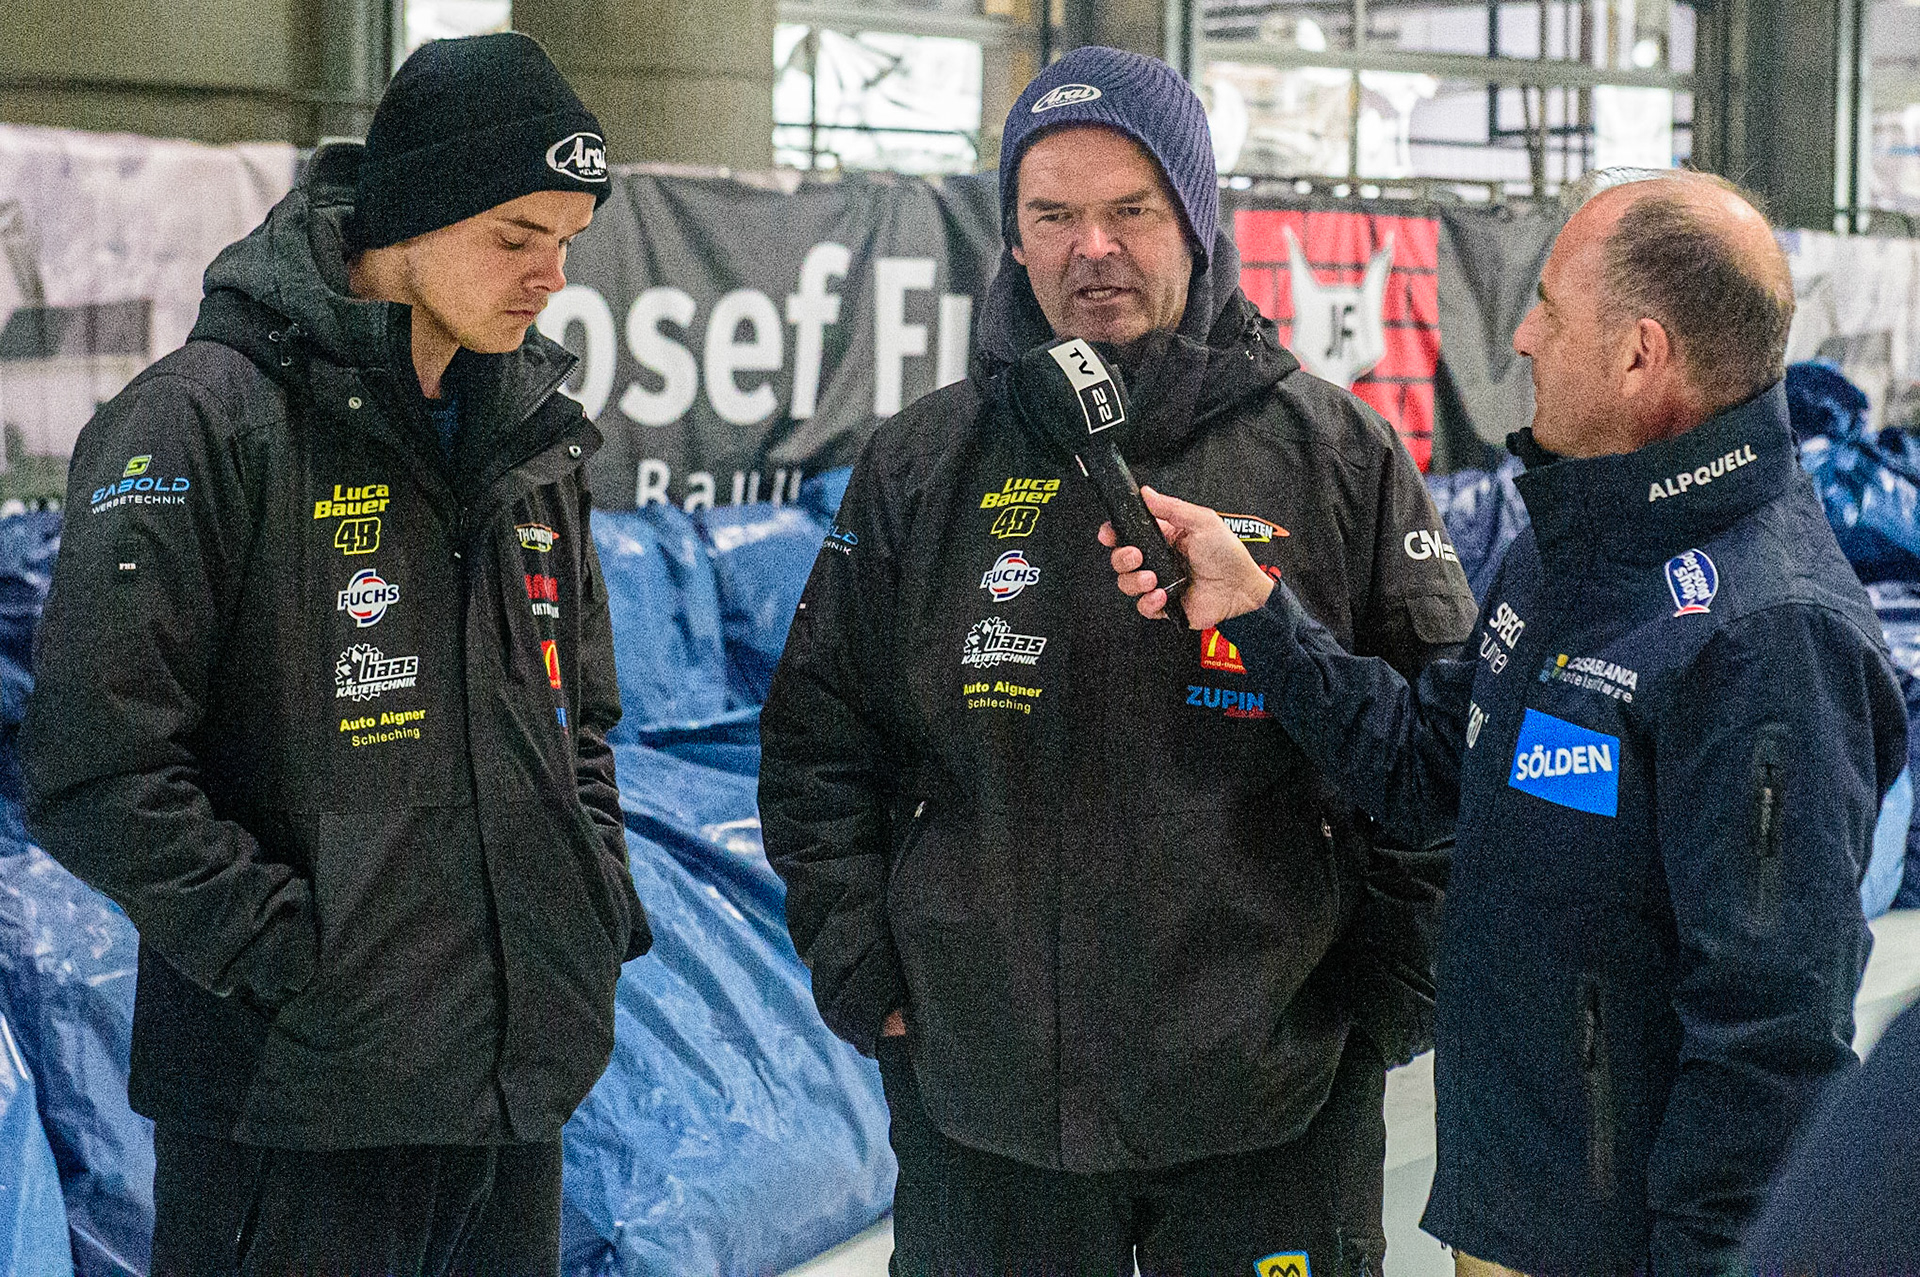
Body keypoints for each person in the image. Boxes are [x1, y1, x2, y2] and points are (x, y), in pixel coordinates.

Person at [1103, 171, 1908, 1274]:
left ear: (1640, 354)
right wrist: (1259, 616)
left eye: (1550, 308)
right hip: (1508, 1203)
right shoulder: (1577, 538)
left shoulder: (1769, 637)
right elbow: (1432, 763)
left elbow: (1768, 1047)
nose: (1522, 335)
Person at [759, 44, 1477, 1276]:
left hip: (1270, 1104)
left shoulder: (1336, 454)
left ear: (1196, 221)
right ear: (1014, 236)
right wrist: (867, 971)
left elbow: (1439, 742)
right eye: (1054, 214)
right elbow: (819, 740)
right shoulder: (921, 463)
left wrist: (1379, 1002)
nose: (1092, 247)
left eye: (1130, 209)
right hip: (988, 1110)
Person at [20, 33, 650, 1277]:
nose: (549, 277)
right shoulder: (202, 418)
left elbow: (582, 723)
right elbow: (95, 763)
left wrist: (587, 907)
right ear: (411, 213)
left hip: (509, 1092)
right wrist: (295, 957)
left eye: (567, 240)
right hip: (295, 1117)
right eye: (516, 235)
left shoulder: (527, 433)